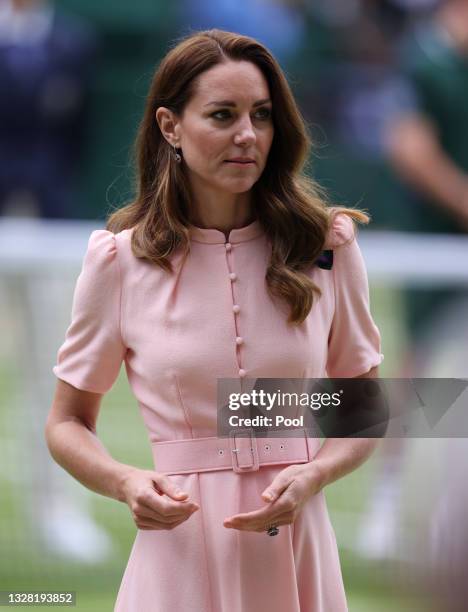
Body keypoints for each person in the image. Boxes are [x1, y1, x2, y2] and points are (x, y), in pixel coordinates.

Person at [46, 29, 384, 612]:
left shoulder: (327, 245)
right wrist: (124, 482)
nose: (247, 135)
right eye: (222, 115)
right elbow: (67, 422)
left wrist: (313, 473)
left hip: (299, 546)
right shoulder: (118, 262)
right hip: (177, 553)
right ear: (169, 126)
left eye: (262, 115)